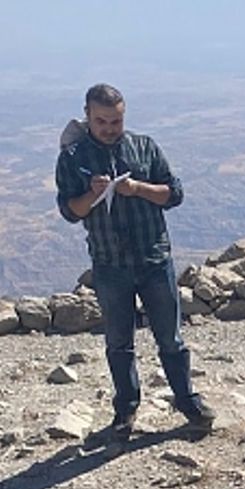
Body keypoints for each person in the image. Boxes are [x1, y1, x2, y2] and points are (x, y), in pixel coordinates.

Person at [54, 83, 215, 441]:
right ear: (87, 116)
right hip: (109, 263)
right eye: (101, 121)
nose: (110, 128)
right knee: (119, 343)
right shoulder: (73, 158)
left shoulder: (144, 146)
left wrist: (138, 188)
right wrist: (92, 194)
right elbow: (69, 210)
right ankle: (125, 409)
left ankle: (188, 402)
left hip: (153, 258)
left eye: (116, 121)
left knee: (171, 339)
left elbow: (174, 193)